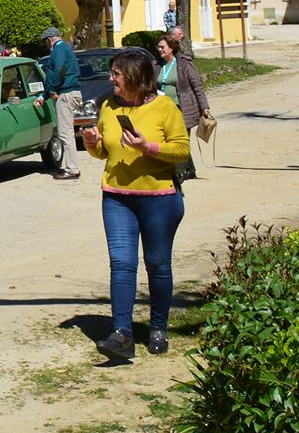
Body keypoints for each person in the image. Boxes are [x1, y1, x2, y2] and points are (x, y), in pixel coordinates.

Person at [80, 48, 190, 360]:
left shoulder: (165, 108)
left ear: (136, 78)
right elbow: (105, 151)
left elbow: (181, 150)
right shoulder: (109, 106)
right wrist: (92, 143)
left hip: (159, 198)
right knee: (122, 264)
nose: (111, 78)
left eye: (116, 73)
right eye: (112, 73)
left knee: (157, 264)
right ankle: (122, 333)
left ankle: (158, 327)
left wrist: (149, 147)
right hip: (116, 197)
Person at [164, 28, 213, 181]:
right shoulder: (158, 65)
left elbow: (197, 85)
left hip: (183, 107)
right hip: (165, 108)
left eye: (162, 47)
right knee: (177, 139)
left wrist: (204, 106)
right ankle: (190, 170)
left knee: (180, 139)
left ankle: (178, 174)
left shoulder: (184, 63)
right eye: (158, 47)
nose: (159, 50)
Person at [42, 26, 83, 180]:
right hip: (72, 91)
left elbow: (58, 70)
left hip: (65, 93)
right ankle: (72, 167)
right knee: (67, 132)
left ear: (49, 39)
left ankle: (72, 169)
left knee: (65, 133)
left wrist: (51, 90)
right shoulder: (66, 48)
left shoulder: (58, 50)